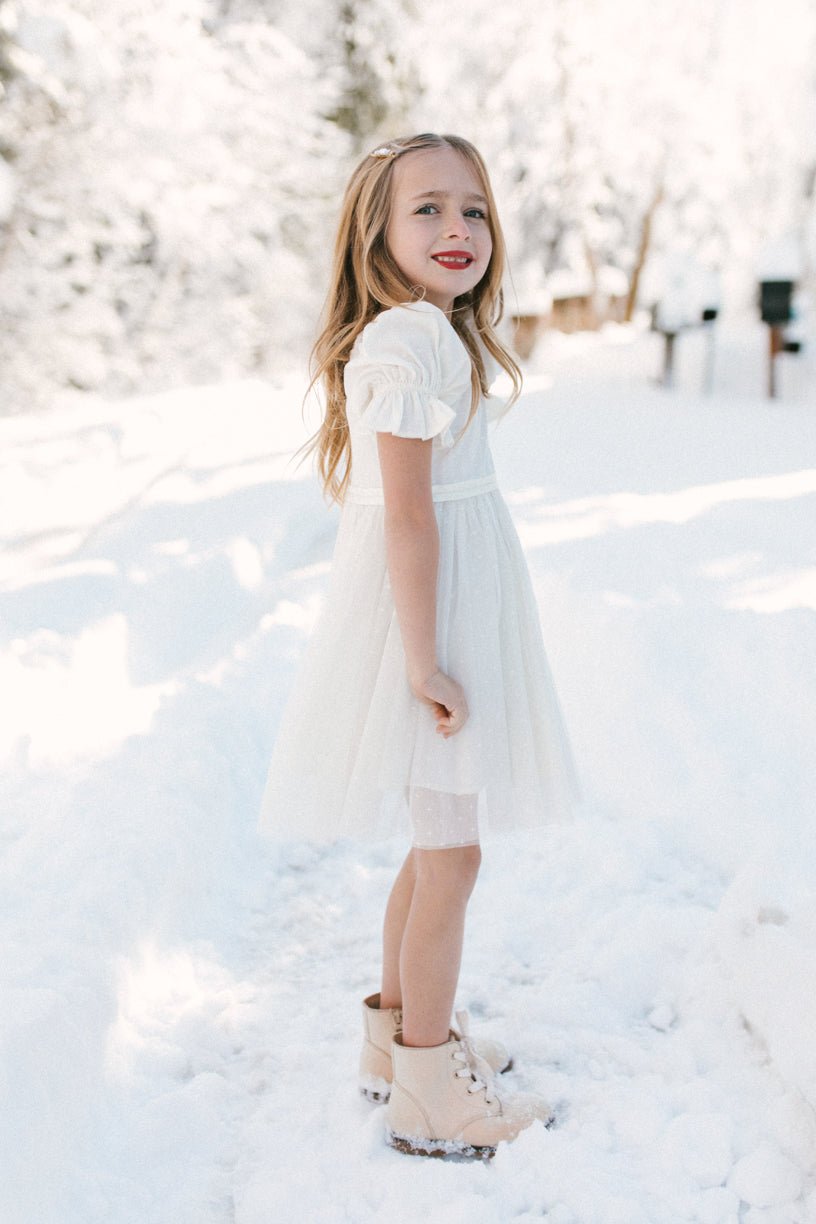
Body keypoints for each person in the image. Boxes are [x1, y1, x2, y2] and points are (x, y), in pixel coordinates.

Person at [258, 132, 580, 1159]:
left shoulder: (429, 332)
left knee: (435, 847)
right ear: (377, 234)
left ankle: (394, 1044)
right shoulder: (406, 342)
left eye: (473, 209)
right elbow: (405, 515)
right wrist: (424, 661)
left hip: (444, 609)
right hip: (429, 621)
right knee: (453, 858)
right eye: (427, 209)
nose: (457, 228)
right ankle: (431, 1088)